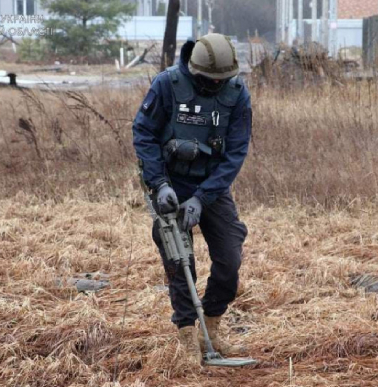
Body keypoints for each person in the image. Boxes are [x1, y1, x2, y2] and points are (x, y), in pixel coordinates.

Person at [132, 33, 252, 366]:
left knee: (229, 261)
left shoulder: (237, 95)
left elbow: (236, 152)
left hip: (212, 188)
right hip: (170, 184)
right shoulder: (167, 85)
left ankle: (210, 328)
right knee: (179, 261)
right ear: (194, 70)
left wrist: (202, 198)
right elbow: (144, 132)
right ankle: (187, 334)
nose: (215, 85)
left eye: (221, 80)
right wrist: (159, 184)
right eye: (209, 80)